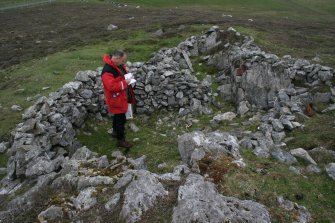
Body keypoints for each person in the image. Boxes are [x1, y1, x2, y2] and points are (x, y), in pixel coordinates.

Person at [101, 50, 135, 150]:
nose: (123, 63)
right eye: (122, 60)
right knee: (121, 119)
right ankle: (121, 140)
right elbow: (111, 86)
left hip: (121, 97)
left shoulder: (117, 66)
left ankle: (115, 132)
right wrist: (125, 82)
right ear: (117, 58)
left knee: (117, 116)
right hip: (116, 99)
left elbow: (121, 76)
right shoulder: (107, 71)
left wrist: (129, 78)